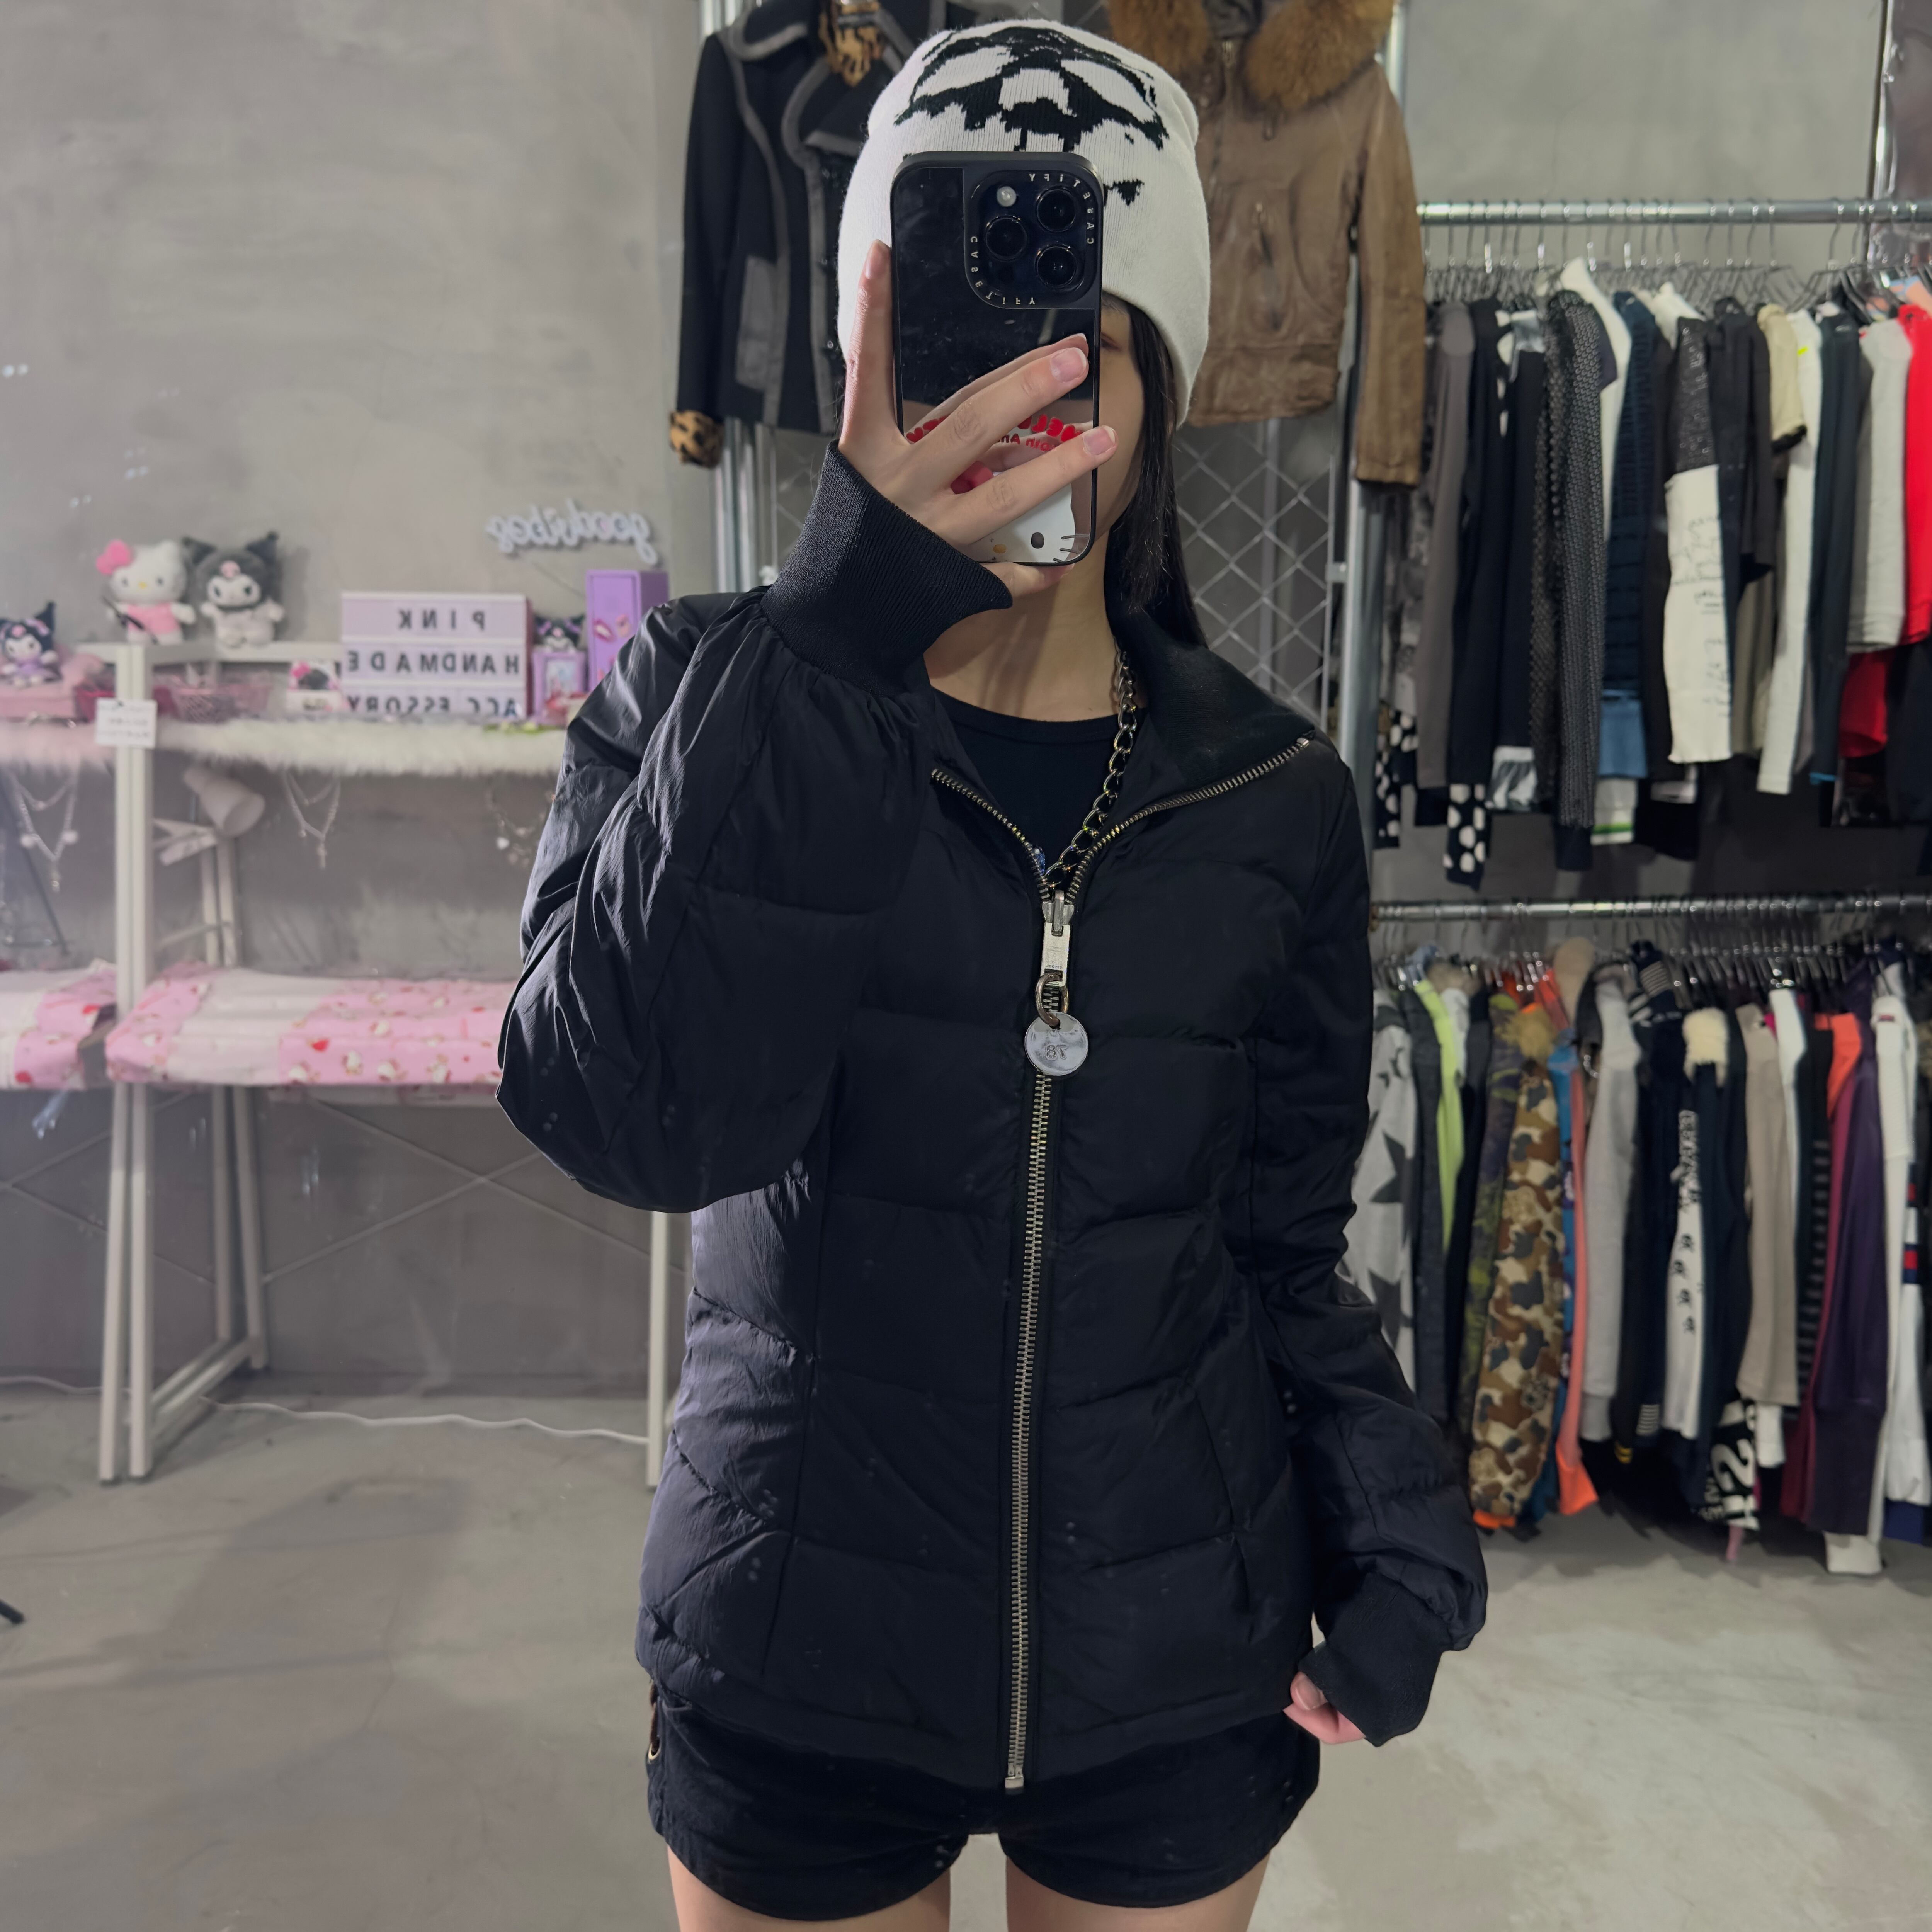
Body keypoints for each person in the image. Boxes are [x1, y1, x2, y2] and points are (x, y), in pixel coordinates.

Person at [499, 21, 1484, 1932]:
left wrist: (1385, 1508)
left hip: (1167, 1650)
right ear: (859, 366)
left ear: (1157, 389)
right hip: (796, 1630)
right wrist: (833, 641)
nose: (1012, 409)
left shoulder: (1268, 789)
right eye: (954, 354)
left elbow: (1278, 1245)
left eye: (1075, 348)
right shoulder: (703, 698)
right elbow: (629, 1117)